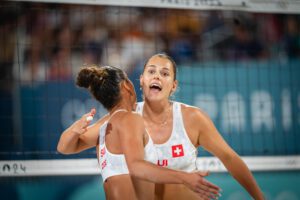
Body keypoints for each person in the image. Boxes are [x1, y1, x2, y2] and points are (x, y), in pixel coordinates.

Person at [57, 65, 221, 200]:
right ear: (126, 85)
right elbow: (136, 167)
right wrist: (185, 178)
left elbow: (64, 147)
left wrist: (74, 129)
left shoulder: (106, 124)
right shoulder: (130, 119)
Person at [136, 53, 264, 200]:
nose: (157, 76)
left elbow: (229, 158)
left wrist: (260, 198)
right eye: (151, 71)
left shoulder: (192, 118)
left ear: (173, 85)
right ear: (141, 80)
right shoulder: (125, 117)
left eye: (165, 73)